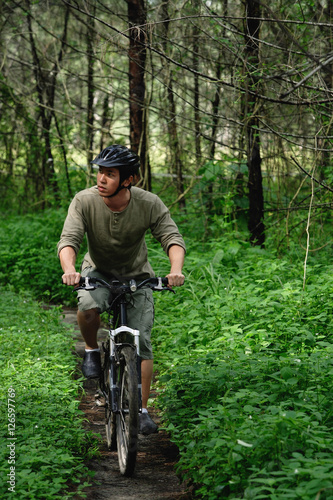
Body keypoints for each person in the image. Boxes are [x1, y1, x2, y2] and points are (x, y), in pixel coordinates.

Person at [58, 144, 185, 435]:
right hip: (98, 271)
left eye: (110, 174)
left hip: (137, 275)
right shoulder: (84, 201)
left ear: (128, 180)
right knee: (89, 305)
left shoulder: (148, 202)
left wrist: (175, 270)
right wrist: (70, 270)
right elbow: (69, 240)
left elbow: (171, 237)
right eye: (100, 172)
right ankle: (91, 350)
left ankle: (140, 410)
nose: (101, 179)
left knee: (141, 342)